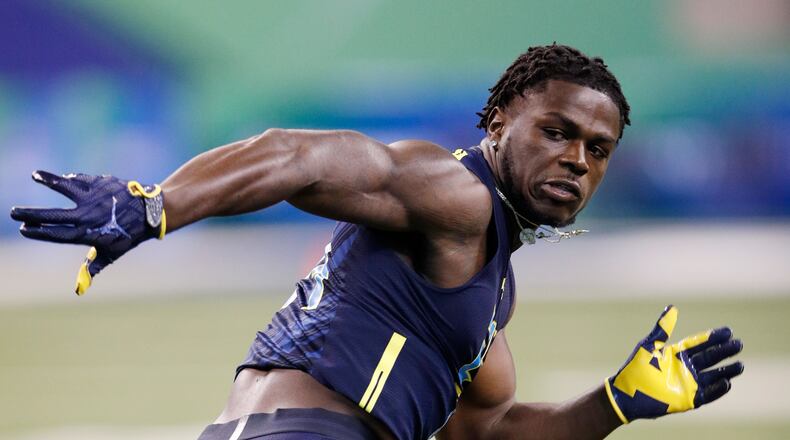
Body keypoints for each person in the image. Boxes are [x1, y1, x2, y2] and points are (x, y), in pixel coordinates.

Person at [10, 44, 743, 440]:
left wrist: (614, 403)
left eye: (598, 149)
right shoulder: (455, 195)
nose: (577, 160)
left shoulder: (488, 291)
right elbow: (298, 155)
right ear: (497, 126)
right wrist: (158, 206)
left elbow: (483, 434)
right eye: (556, 132)